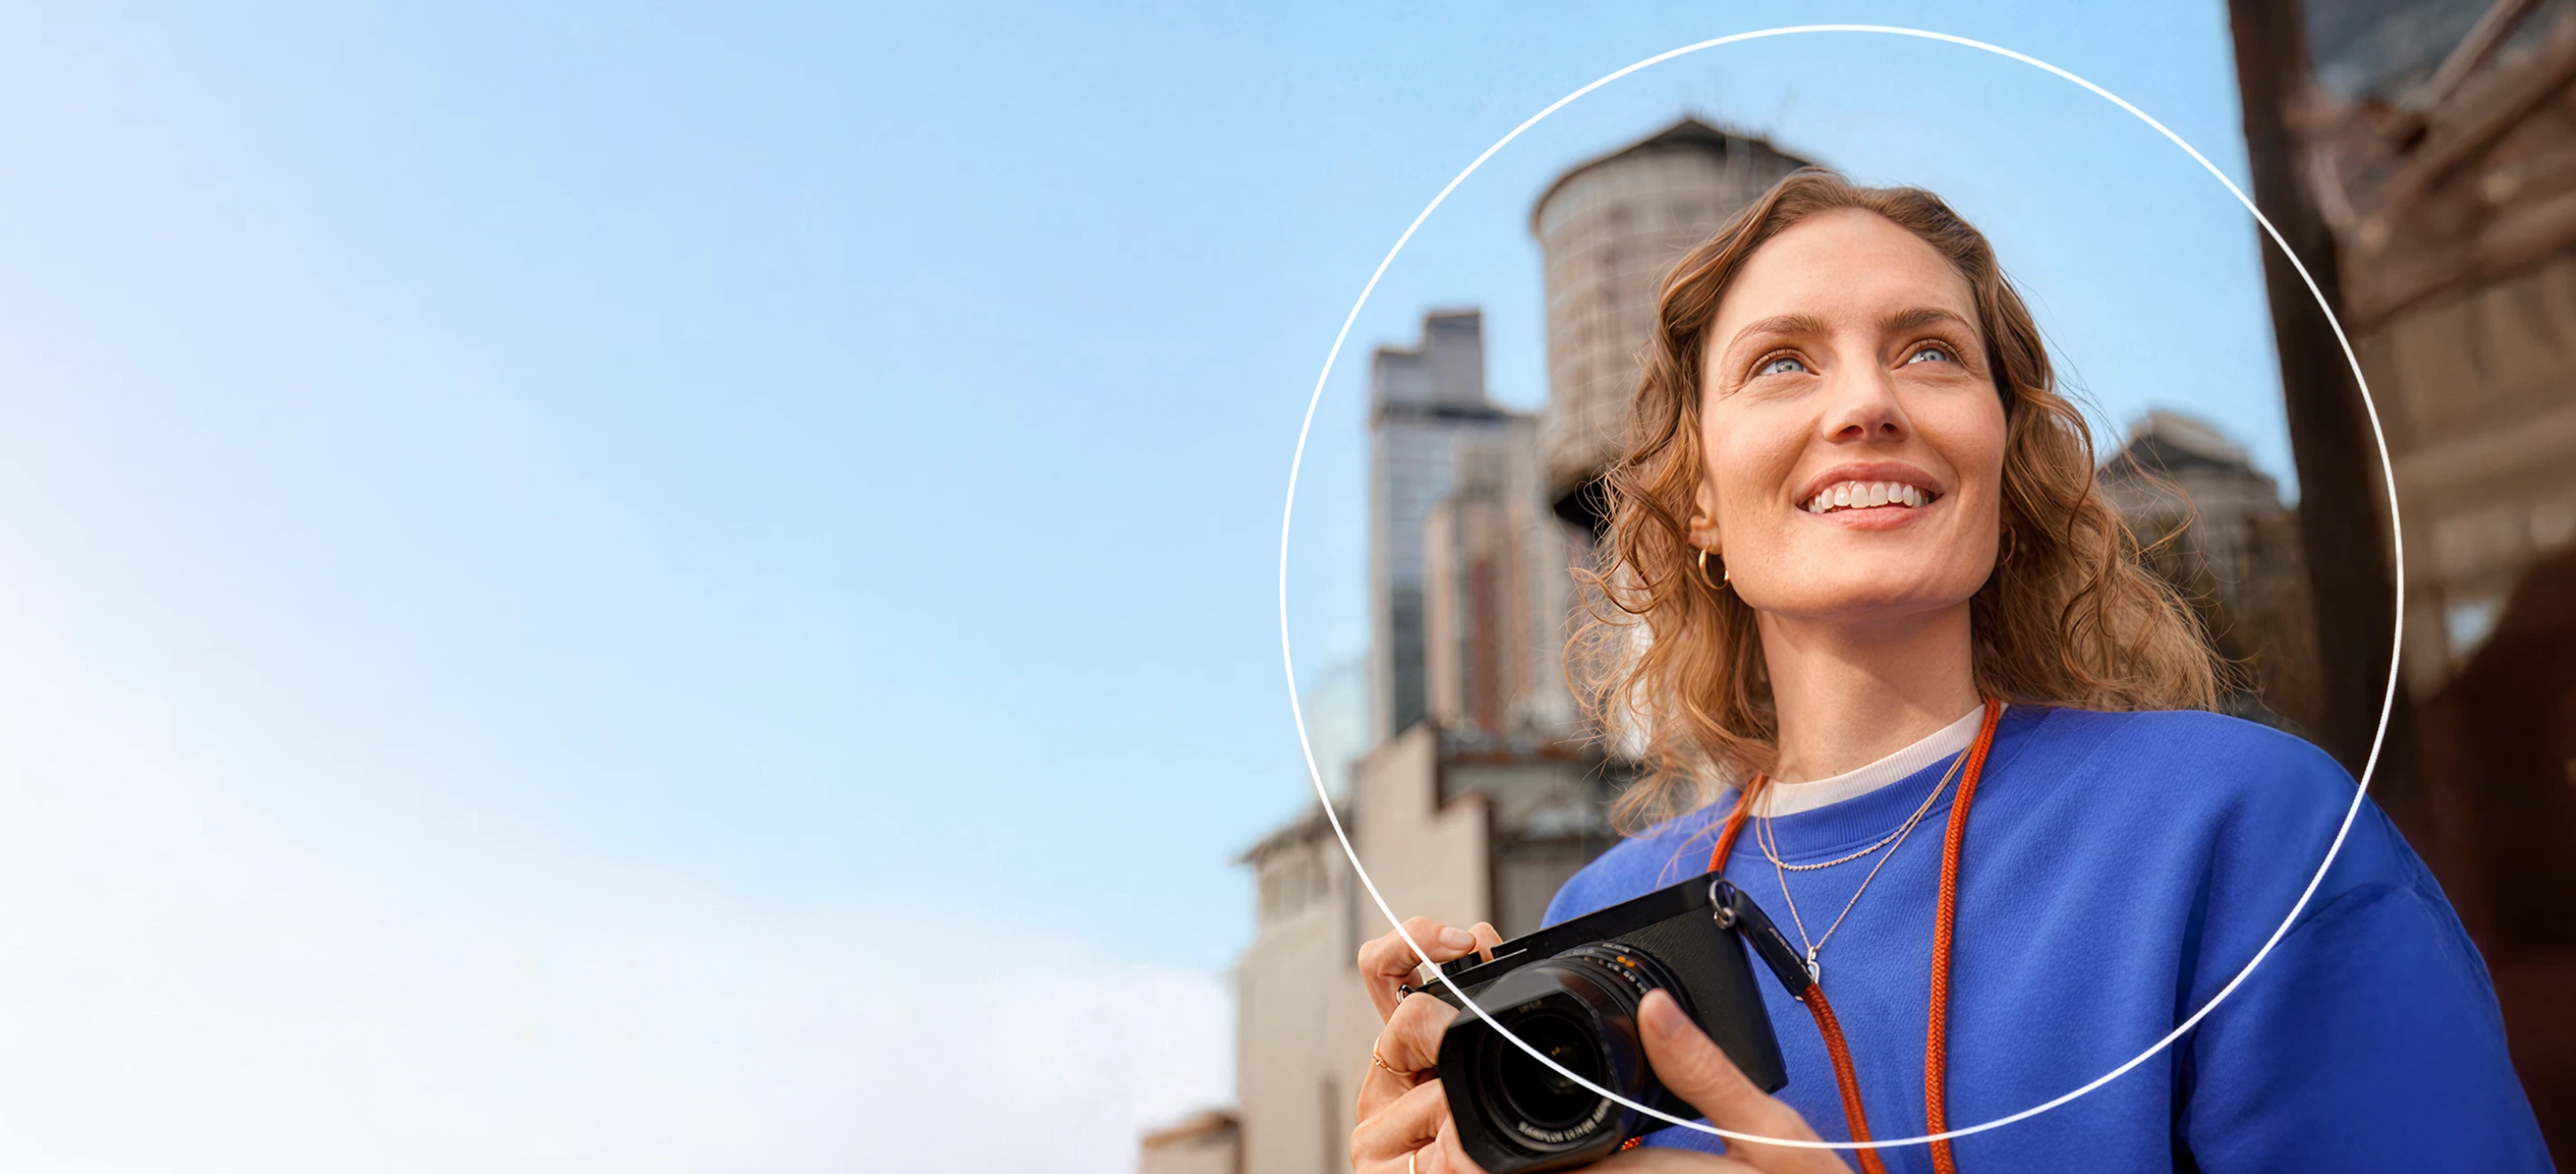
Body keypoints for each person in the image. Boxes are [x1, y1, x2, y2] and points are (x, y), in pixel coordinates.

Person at [1347, 169, 2553, 1174]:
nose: (1868, 403)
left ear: (2003, 460)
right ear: (1700, 496)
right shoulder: (1589, 932)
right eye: (1782, 364)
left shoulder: (2247, 832)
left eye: (1929, 353)